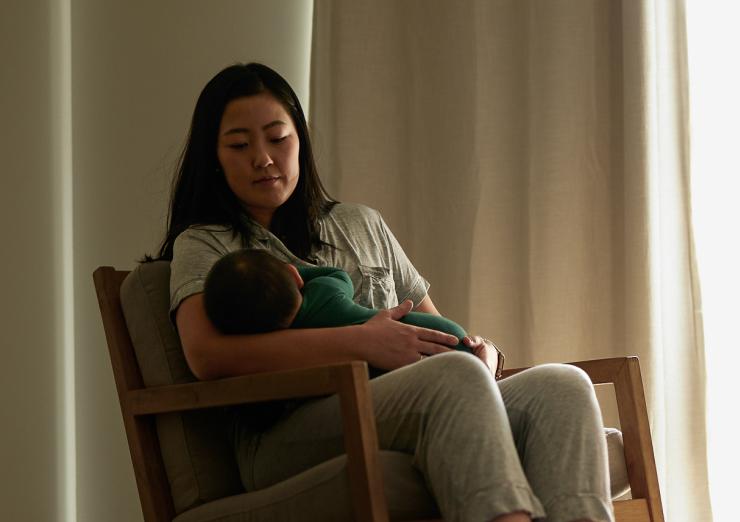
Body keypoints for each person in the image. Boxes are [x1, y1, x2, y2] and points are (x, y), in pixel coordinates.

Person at [148, 62, 611, 522]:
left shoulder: (361, 224)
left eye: (277, 137)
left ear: (301, 141)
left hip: (405, 402)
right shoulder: (206, 242)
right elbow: (207, 354)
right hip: (286, 429)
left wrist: (481, 351)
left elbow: (438, 331)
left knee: (561, 385)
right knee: (451, 379)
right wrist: (360, 342)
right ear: (215, 155)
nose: (263, 158)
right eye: (239, 145)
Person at [202, 248, 473, 357]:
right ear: (294, 275)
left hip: (432, 357)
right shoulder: (325, 291)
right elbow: (338, 274)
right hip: (446, 337)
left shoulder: (296, 341)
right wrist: (299, 273)